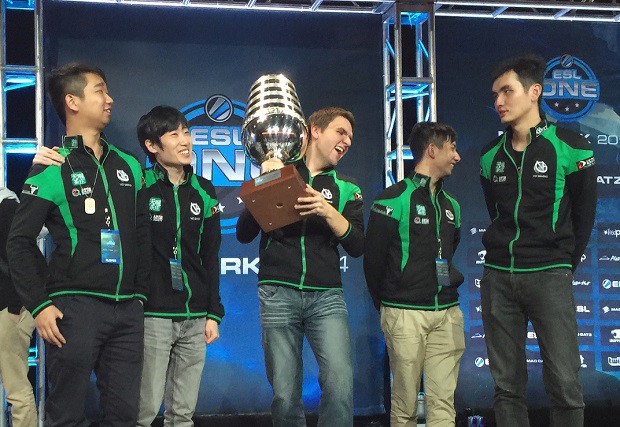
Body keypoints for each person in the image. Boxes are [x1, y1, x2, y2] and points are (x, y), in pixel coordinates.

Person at [7, 62, 149, 426]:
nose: (109, 99)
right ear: (72, 102)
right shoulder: (51, 167)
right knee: (66, 415)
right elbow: (19, 242)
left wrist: (140, 295)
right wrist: (40, 305)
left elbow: (143, 234)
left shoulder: (130, 165)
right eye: (100, 91)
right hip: (74, 309)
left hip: (127, 311)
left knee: (124, 417)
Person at [480, 55, 596, 426]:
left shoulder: (573, 147)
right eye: (495, 94)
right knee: (506, 388)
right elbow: (496, 214)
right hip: (498, 278)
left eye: (507, 91)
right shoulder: (489, 156)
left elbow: (584, 218)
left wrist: (560, 265)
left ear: (534, 92)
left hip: (549, 276)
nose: (499, 101)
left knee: (564, 382)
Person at [236, 107, 364, 426]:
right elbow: (243, 233)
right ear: (315, 131)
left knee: (339, 383)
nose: (347, 141)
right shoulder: (280, 171)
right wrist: (266, 181)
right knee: (284, 394)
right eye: (341, 132)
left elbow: (357, 245)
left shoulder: (347, 187)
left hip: (327, 297)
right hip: (278, 293)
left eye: (350, 137)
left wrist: (327, 210)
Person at [364, 122, 464, 426]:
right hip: (404, 312)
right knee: (404, 405)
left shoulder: (452, 206)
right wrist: (389, 305)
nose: (457, 156)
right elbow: (373, 261)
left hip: (447, 312)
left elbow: (449, 252)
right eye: (452, 149)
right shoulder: (392, 198)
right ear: (432, 150)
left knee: (443, 403)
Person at [135, 105, 223, 426]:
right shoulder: (139, 184)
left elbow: (211, 255)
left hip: (195, 316)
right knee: (144, 411)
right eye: (174, 134)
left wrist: (213, 312)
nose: (185, 141)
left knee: (183, 414)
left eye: (186, 132)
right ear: (152, 146)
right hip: (153, 314)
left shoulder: (204, 189)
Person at [0, 187, 38, 427]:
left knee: (16, 389)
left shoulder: (7, 207)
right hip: (10, 307)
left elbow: (23, 258)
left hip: (10, 309)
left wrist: (16, 305)